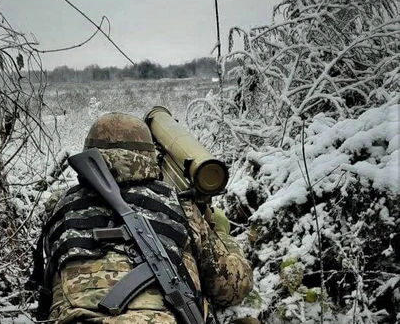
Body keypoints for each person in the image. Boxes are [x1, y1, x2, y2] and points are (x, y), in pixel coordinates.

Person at [36, 112, 253, 324]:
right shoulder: (179, 206)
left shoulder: (61, 205)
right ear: (148, 156)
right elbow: (231, 288)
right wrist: (223, 235)